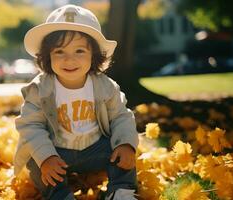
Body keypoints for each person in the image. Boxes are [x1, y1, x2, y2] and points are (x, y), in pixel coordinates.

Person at [14, 4, 139, 200]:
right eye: (59, 52)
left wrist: (126, 144)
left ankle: (121, 189)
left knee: (121, 154)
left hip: (96, 148)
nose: (69, 60)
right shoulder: (40, 89)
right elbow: (30, 125)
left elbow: (121, 116)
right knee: (36, 163)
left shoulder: (104, 86)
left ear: (94, 55)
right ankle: (60, 194)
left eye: (79, 51)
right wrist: (47, 156)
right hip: (57, 151)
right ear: (47, 56)